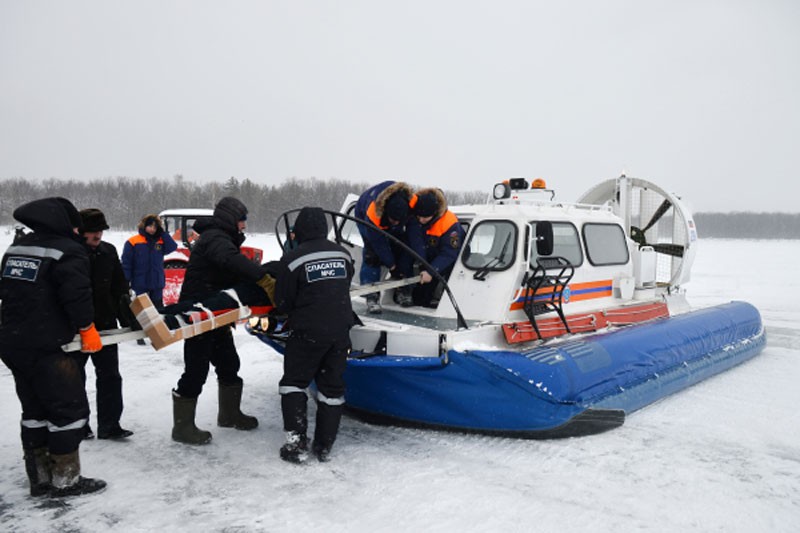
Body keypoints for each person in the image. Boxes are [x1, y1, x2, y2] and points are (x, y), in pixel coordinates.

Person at [0, 197, 107, 497]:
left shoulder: (17, 247)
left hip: (13, 341)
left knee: (33, 409)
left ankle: (40, 478)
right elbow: (76, 294)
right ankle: (66, 480)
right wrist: (86, 328)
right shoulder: (68, 249)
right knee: (67, 408)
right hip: (49, 346)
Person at [170, 197, 263, 445]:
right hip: (198, 313)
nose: (244, 226)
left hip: (216, 312)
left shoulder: (222, 238)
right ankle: (182, 428)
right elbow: (231, 261)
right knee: (196, 369)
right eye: (242, 221)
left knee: (229, 362)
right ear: (231, 219)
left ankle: (230, 414)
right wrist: (261, 276)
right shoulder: (215, 238)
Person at [272, 207, 355, 463]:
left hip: (307, 332)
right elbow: (344, 284)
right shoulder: (343, 254)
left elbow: (283, 301)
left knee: (293, 383)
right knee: (331, 388)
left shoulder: (293, 259)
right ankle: (324, 445)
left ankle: (296, 445)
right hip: (340, 329)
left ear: (300, 229)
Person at [77, 208, 134, 440]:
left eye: (100, 230)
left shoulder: (108, 251)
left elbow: (120, 288)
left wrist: (129, 319)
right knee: (74, 378)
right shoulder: (71, 253)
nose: (98, 235)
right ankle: (79, 425)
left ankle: (110, 425)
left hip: (106, 324)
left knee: (110, 375)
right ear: (81, 232)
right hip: (77, 326)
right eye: (92, 231)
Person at [354, 180, 417, 313]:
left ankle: (403, 290)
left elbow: (413, 233)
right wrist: (392, 266)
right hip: (363, 213)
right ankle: (371, 295)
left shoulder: (413, 204)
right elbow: (378, 243)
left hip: (393, 217)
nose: (395, 223)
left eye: (398, 220)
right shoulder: (373, 213)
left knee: (403, 249)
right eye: (393, 219)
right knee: (373, 255)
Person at [407, 189, 465, 307]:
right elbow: (416, 241)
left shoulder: (450, 224)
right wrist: (424, 264)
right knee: (420, 296)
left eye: (425, 217)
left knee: (450, 290)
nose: (421, 220)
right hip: (429, 259)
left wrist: (431, 271)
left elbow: (450, 253)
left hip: (448, 261)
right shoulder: (416, 220)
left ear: (434, 214)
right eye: (419, 217)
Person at [121, 213, 178, 309]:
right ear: (144, 226)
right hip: (140, 282)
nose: (152, 229)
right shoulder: (133, 242)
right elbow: (127, 263)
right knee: (143, 312)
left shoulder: (160, 241)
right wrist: (126, 281)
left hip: (157, 282)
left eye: (155, 227)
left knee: (158, 311)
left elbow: (172, 247)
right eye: (150, 226)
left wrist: (163, 234)